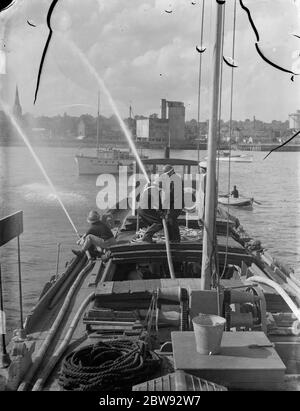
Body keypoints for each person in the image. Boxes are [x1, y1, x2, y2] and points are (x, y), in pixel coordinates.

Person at [159, 164, 184, 243]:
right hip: (172, 204)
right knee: (168, 220)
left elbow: (171, 194)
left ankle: (175, 239)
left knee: (171, 219)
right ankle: (170, 238)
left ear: (171, 172)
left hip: (176, 204)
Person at [138, 178, 163, 243]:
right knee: (159, 223)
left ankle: (148, 236)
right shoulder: (154, 189)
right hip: (145, 209)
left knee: (152, 223)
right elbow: (159, 203)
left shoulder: (147, 186)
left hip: (140, 209)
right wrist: (162, 211)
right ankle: (147, 237)